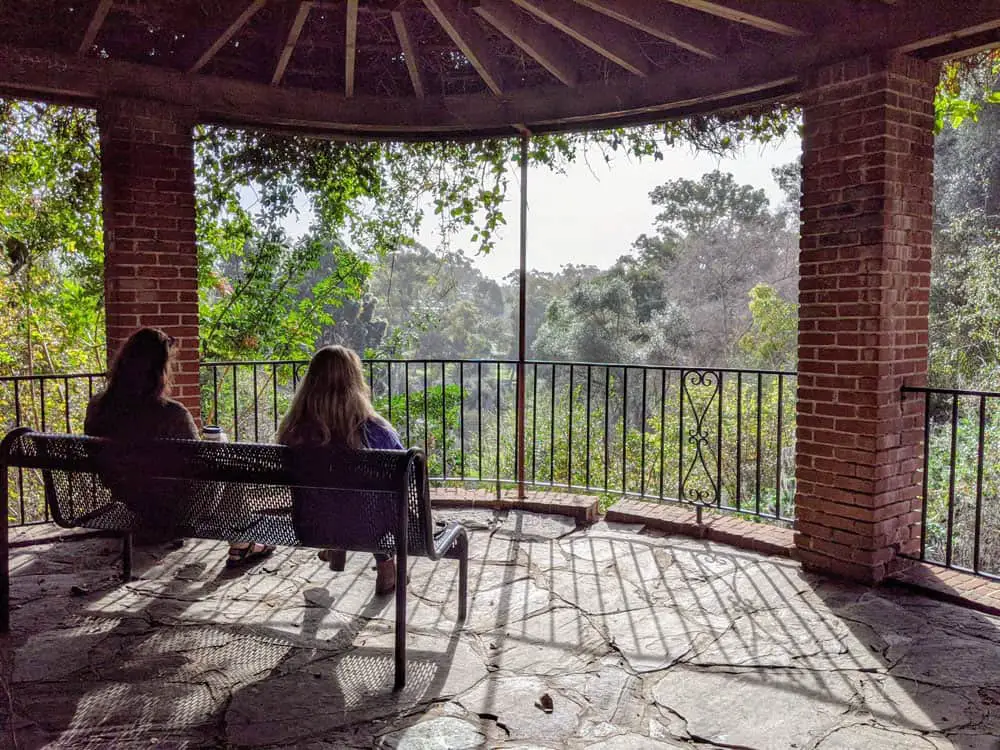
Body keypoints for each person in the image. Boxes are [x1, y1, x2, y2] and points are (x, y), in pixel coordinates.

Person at [85, 327, 274, 567]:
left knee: (222, 462)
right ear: (159, 370)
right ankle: (243, 540)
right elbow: (200, 464)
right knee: (225, 459)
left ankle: (244, 540)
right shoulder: (171, 414)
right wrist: (218, 445)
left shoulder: (98, 407)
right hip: (181, 512)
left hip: (131, 500)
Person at [276, 345, 403, 595]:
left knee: (335, 497)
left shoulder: (294, 432)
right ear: (355, 382)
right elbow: (405, 478)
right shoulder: (374, 431)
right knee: (379, 499)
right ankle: (386, 564)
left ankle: (334, 544)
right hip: (369, 530)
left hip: (311, 527)